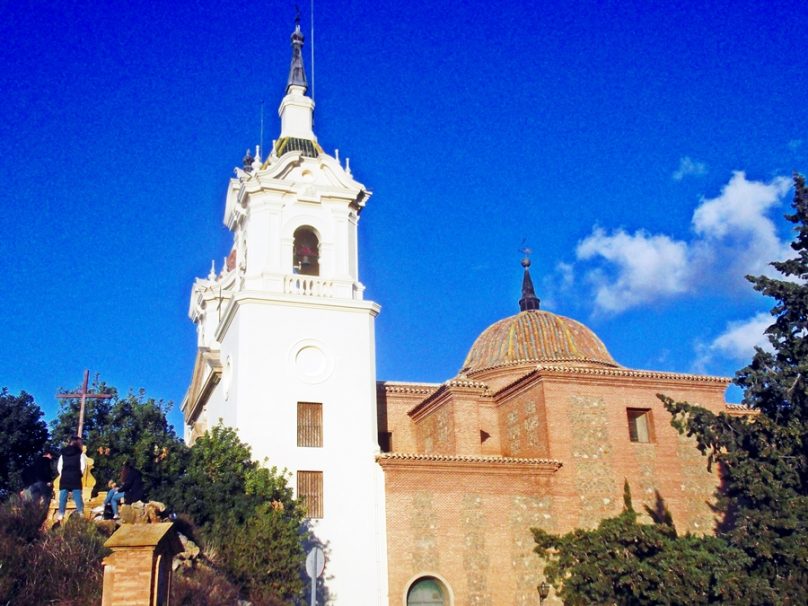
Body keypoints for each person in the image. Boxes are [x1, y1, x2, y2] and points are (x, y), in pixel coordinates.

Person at [56, 436, 87, 520]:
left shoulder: (63, 454)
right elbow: (83, 466)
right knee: (77, 496)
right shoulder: (80, 454)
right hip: (75, 476)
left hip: (65, 477)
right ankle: (81, 513)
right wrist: (79, 474)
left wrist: (63, 474)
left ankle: (61, 514)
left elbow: (59, 466)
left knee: (63, 496)